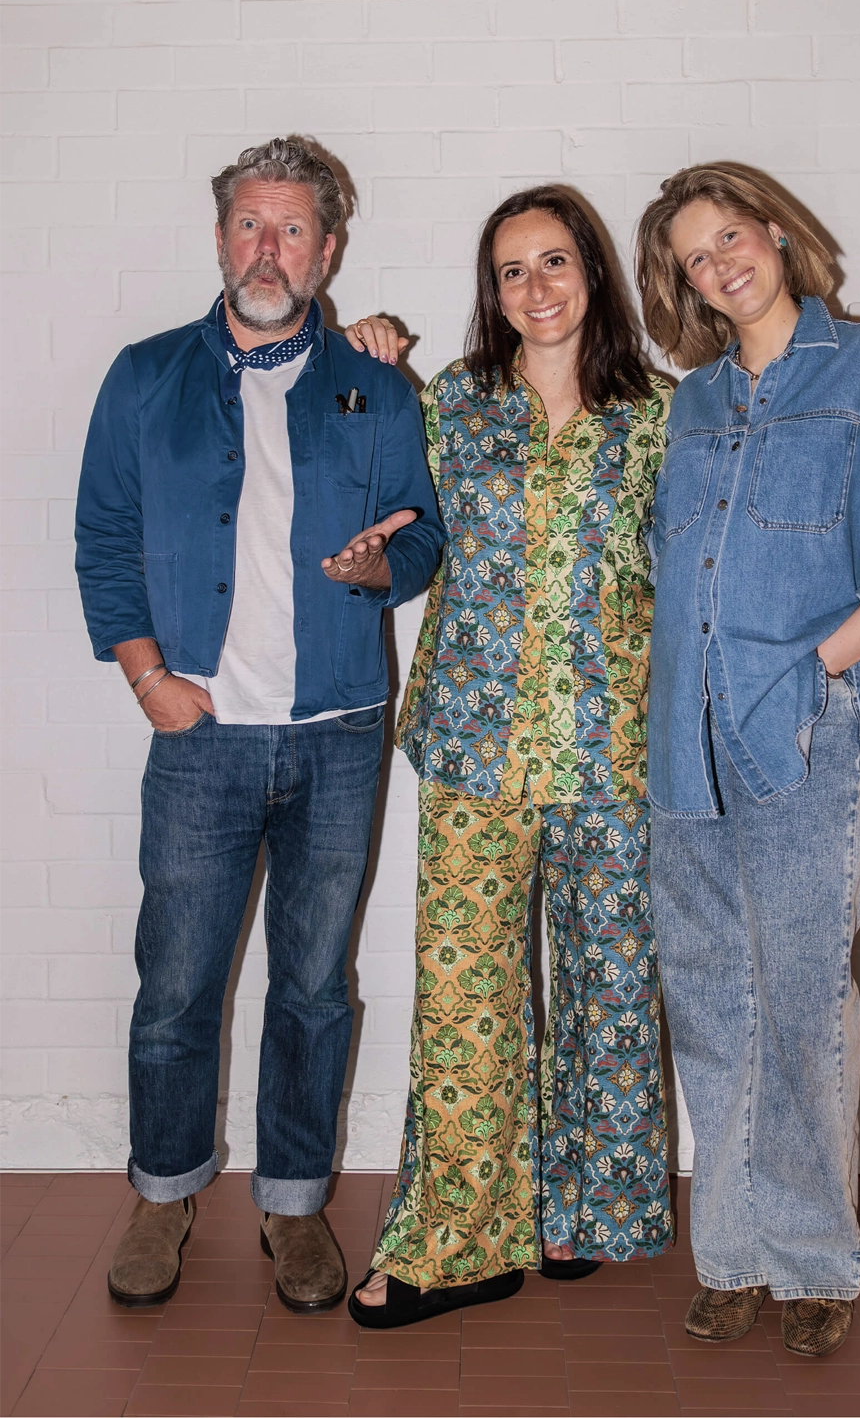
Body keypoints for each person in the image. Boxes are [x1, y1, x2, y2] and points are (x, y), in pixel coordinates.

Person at [74, 138, 444, 1312]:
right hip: (200, 738)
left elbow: (425, 534)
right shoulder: (143, 377)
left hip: (339, 735)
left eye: (291, 230)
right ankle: (163, 1193)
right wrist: (147, 680)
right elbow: (102, 540)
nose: (266, 248)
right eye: (247, 224)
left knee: (314, 986)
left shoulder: (377, 387)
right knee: (176, 982)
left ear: (329, 249)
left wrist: (380, 569)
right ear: (220, 235)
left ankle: (294, 1204)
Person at [635, 163, 860, 1357]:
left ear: (776, 235)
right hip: (680, 742)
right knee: (713, 1005)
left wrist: (818, 668)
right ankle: (730, 1255)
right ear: (679, 281)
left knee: (802, 1002)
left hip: (805, 736)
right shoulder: (690, 405)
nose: (719, 263)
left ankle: (814, 1257)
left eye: (730, 235)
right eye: (691, 254)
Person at [343, 185, 674, 1329]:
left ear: (593, 274)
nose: (533, 290)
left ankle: (579, 1209)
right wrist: (366, 354)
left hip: (613, 748)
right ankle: (462, 1241)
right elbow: (378, 493)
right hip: (477, 740)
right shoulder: (448, 406)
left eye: (553, 263)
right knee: (464, 1000)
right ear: (490, 293)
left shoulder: (656, 417)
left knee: (609, 990)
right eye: (509, 272)